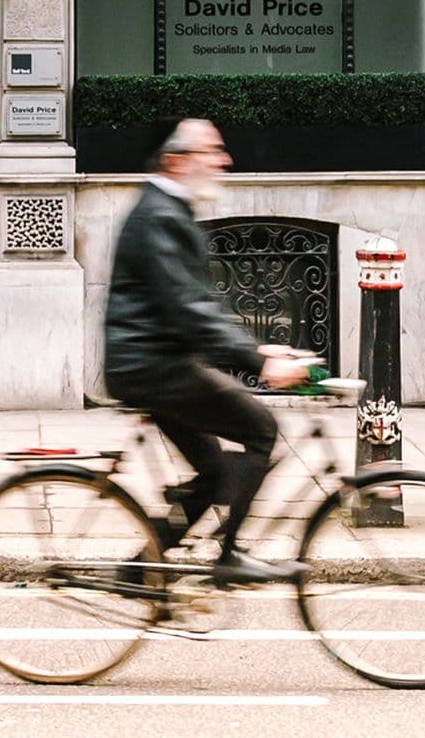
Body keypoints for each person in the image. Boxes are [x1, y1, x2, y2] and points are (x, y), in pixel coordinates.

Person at [103, 116, 312, 583]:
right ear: (176, 161)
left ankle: (139, 573)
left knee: (216, 473)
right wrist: (259, 361)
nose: (224, 160)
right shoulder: (160, 215)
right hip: (154, 365)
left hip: (154, 362)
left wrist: (256, 348)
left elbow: (195, 307)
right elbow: (189, 309)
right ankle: (230, 557)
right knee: (261, 428)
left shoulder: (167, 209)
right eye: (211, 151)